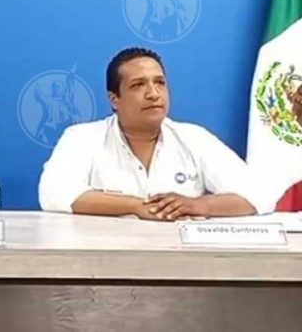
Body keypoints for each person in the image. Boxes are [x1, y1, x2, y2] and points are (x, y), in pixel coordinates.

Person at [38, 47, 273, 220]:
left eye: (159, 83)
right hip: (102, 261)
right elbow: (54, 194)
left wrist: (197, 205)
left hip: (182, 263)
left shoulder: (193, 138)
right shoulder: (82, 138)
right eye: (138, 85)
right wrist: (136, 206)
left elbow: (259, 195)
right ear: (114, 99)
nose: (153, 94)